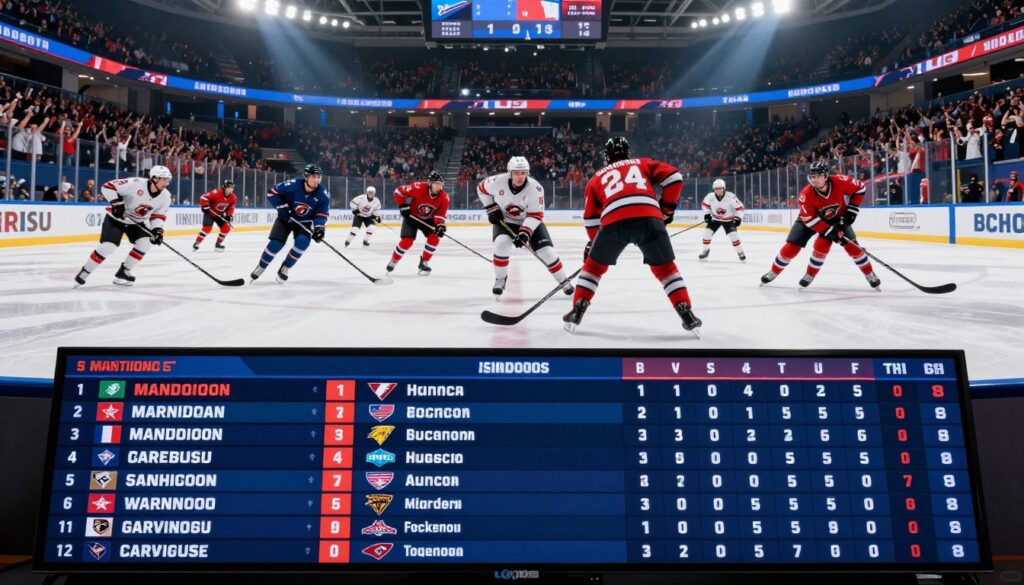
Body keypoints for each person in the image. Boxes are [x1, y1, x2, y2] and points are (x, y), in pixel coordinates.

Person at [564, 137, 701, 335]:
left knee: (593, 269)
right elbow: (674, 177)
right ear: (628, 152)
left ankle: (578, 309)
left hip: (614, 221)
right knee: (666, 270)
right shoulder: (643, 163)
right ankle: (686, 312)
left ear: (606, 156)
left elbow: (591, 219)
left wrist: (594, 244)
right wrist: (666, 210)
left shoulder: (596, 178)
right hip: (649, 218)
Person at [760, 161, 880, 290]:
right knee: (791, 247)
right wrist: (830, 231)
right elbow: (810, 220)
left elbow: (861, 188)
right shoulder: (805, 195)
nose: (815, 180)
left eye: (818, 176)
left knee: (849, 247)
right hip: (809, 219)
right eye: (812, 176)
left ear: (826, 175)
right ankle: (774, 271)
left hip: (836, 218)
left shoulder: (841, 181)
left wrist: (852, 209)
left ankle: (869, 273)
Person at [477, 156, 573, 298]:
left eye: (523, 173)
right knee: (501, 244)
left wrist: (524, 233)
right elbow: (481, 189)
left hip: (529, 221)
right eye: (516, 173)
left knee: (546, 252)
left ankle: (564, 280)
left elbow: (536, 214)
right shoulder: (496, 181)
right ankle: (500, 279)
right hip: (506, 221)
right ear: (510, 173)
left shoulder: (535, 188)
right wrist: (490, 207)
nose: (520, 177)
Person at [73, 166, 173, 287]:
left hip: (137, 222)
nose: (167, 183)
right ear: (154, 178)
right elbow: (107, 186)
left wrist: (157, 230)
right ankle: (85, 271)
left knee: (145, 243)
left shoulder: (166, 196)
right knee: (108, 246)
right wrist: (117, 204)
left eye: (168, 180)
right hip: (116, 219)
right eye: (164, 179)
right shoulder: (135, 184)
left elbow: (158, 215)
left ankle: (124, 272)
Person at [250, 164, 330, 283]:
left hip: (305, 223)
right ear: (306, 177)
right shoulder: (292, 185)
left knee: (302, 243)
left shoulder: (323, 194)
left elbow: (322, 214)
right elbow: (272, 193)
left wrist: (319, 228)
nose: (317, 180)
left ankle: (285, 267)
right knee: (275, 244)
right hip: (285, 218)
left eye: (319, 177)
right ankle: (261, 266)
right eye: (314, 176)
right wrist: (281, 206)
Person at [387, 171, 449, 276]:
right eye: (437, 184)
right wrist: (402, 205)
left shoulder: (444, 197)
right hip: (412, 216)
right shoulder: (418, 187)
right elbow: (398, 192)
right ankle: (394, 260)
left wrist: (440, 225)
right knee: (407, 241)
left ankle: (424, 262)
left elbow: (440, 214)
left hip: (428, 219)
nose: (439, 187)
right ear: (430, 183)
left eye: (441, 184)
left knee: (434, 238)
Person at [699, 178, 746, 262]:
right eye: (716, 188)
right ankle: (705, 251)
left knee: (733, 236)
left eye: (720, 188)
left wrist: (738, 218)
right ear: (714, 189)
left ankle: (740, 251)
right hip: (715, 219)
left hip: (729, 221)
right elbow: (705, 205)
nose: (718, 190)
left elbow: (740, 207)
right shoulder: (710, 196)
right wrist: (707, 214)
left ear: (723, 188)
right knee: (706, 234)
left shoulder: (730, 196)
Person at [193, 180, 237, 252]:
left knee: (226, 228)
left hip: (219, 214)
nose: (230, 189)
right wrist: (205, 206)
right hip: (210, 213)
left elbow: (231, 207)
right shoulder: (217, 192)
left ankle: (218, 244)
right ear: (224, 187)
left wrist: (229, 215)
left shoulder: (233, 197)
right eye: (228, 187)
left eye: (232, 187)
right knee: (207, 228)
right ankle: (197, 243)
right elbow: (203, 198)